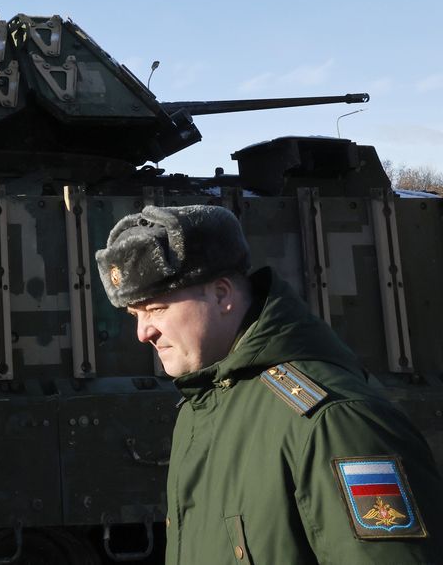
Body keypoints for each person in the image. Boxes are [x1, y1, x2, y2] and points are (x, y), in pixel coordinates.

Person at [95, 204, 442, 563]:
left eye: (157, 309)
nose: (142, 332)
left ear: (222, 294)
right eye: (135, 314)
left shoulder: (333, 421)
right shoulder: (202, 408)